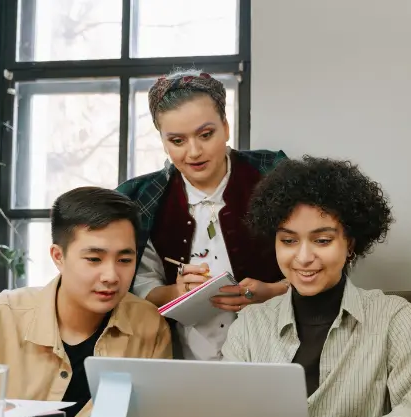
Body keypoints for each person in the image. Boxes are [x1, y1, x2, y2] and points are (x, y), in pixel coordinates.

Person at [223, 156, 411, 417]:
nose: (303, 257)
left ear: (349, 243)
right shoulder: (250, 326)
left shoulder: (391, 318)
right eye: (288, 241)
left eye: (322, 241)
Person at [0, 187, 172, 417]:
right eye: (94, 259)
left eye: (124, 259)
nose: (111, 275)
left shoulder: (148, 327)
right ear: (58, 257)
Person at [116, 69, 289, 361]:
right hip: (183, 360)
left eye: (206, 134)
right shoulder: (142, 198)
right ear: (163, 140)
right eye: (177, 141)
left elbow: (320, 262)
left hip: (276, 353)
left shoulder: (273, 176)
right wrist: (174, 292)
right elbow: (139, 283)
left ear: (226, 126)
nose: (194, 151)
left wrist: (271, 292)